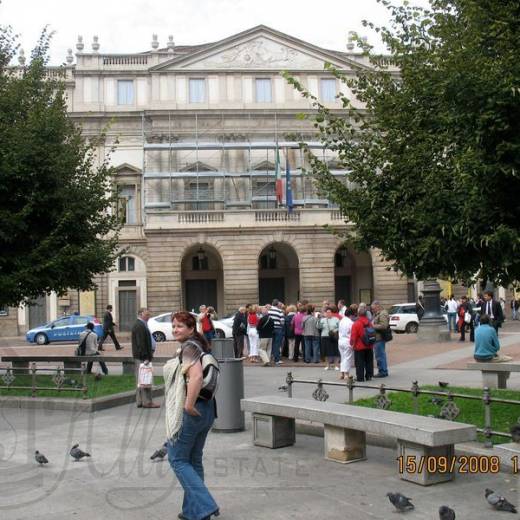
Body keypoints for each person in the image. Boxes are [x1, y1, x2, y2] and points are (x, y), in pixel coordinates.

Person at [164, 311, 219, 520]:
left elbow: (195, 376)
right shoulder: (201, 344)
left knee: (177, 458)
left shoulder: (189, 347)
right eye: (174, 326)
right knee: (194, 460)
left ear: (190, 328)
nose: (175, 329)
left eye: (179, 326)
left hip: (194, 409)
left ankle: (205, 505)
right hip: (208, 408)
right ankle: (194, 512)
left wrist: (187, 405)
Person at [131, 307, 160, 408]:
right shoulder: (139, 326)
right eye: (146, 314)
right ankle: (147, 402)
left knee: (141, 380)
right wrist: (145, 357)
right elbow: (141, 343)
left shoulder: (141, 324)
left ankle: (140, 401)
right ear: (140, 314)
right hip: (142, 357)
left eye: (149, 314)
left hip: (141, 356)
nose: (148, 316)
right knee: (145, 379)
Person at [350, 306, 374, 382]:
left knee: (359, 363)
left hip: (359, 346)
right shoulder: (369, 322)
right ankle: (369, 376)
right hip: (369, 345)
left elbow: (353, 336)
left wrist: (352, 344)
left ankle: (360, 377)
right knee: (369, 361)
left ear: (358, 314)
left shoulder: (356, 324)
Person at [372, 300, 390, 378]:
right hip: (377, 337)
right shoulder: (378, 314)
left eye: (373, 308)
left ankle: (383, 371)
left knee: (380, 355)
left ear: (377, 306)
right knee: (379, 354)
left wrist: (372, 326)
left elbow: (384, 326)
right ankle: (383, 370)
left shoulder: (383, 314)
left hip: (379, 337)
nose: (373, 310)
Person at [338, 307, 354, 379]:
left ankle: (342, 374)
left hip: (341, 340)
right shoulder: (350, 322)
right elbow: (352, 333)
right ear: (351, 315)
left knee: (342, 357)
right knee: (348, 357)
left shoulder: (341, 321)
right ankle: (346, 374)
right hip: (347, 340)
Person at [268, 299, 285, 365]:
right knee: (277, 344)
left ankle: (269, 358)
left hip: (270, 329)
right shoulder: (280, 311)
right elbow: (282, 322)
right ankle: (276, 360)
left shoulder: (269, 311)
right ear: (278, 304)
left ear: (272, 303)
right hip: (278, 329)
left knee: (270, 344)